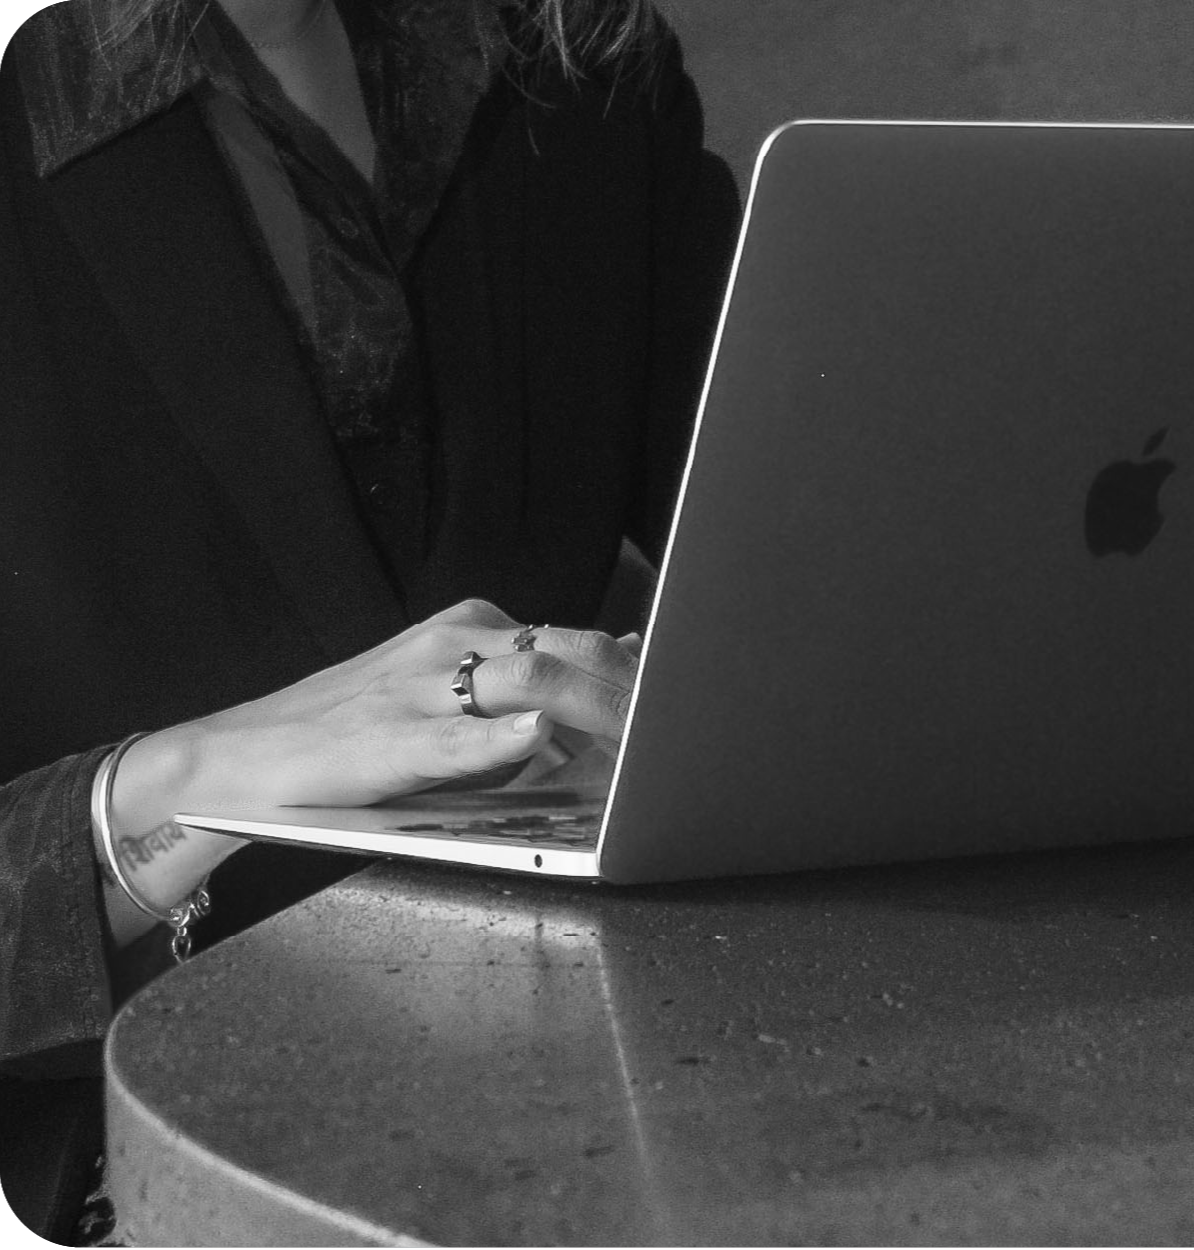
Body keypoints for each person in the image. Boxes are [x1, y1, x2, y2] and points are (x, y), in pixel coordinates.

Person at [0, 0, 740, 1239]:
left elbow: (799, 564)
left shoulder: (585, 63)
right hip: (134, 1149)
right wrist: (194, 781)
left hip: (596, 1078)